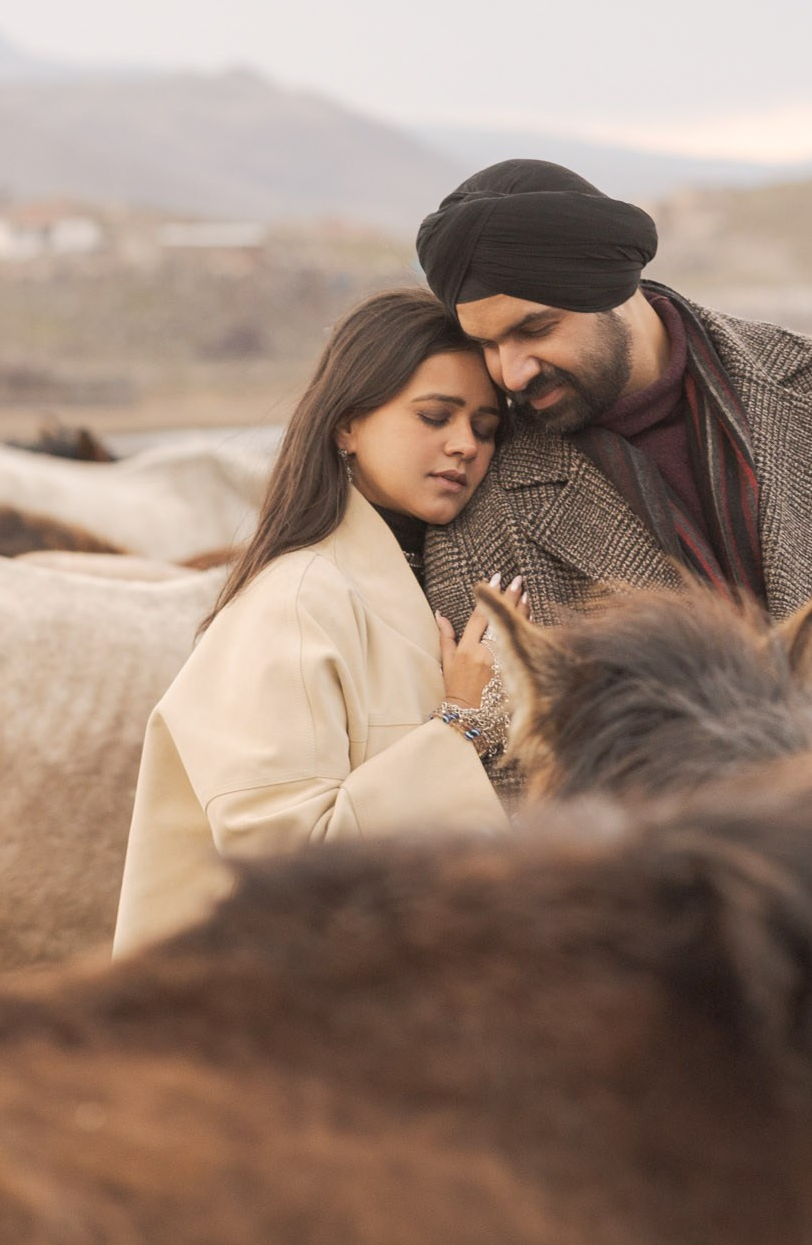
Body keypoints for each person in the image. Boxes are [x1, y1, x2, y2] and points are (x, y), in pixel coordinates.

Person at [414, 158, 812, 752]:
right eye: (486, 344)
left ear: (612, 289)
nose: (511, 373)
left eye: (535, 330)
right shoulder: (486, 496)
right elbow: (512, 774)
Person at [114, 290, 523, 955]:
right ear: (346, 425)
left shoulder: (399, 580)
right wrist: (460, 722)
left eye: (484, 427)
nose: (464, 445)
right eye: (434, 415)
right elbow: (285, 860)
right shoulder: (296, 600)